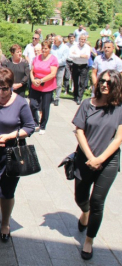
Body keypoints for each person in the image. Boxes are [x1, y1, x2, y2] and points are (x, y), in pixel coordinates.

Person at [72, 69, 122, 261]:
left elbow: (118, 139)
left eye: (109, 82)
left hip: (108, 162)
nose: (104, 84)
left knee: (97, 203)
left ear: (117, 85)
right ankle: (85, 212)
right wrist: (91, 157)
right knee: (80, 197)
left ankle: (89, 240)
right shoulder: (87, 104)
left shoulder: (119, 108)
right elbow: (79, 131)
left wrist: (100, 159)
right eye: (102, 81)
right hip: (85, 158)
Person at [0, 68, 35, 242]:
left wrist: (9, 136)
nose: (1, 92)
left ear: (11, 87)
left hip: (12, 153)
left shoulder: (20, 103)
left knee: (7, 190)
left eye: (5, 88)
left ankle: (5, 222)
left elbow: (30, 127)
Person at [29, 41, 58, 135]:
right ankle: (35, 122)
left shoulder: (53, 59)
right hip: (35, 85)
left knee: (45, 107)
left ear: (49, 49)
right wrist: (33, 80)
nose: (44, 50)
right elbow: (31, 71)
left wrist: (41, 80)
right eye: (43, 48)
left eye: (46, 48)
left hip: (47, 87)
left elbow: (53, 74)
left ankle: (43, 125)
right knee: (33, 104)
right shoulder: (36, 58)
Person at [69, 35, 91, 105]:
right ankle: (75, 95)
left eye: (84, 39)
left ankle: (79, 97)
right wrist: (80, 55)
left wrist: (76, 55)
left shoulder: (87, 47)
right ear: (79, 39)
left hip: (83, 66)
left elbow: (87, 56)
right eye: (81, 39)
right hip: (75, 65)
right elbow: (70, 55)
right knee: (75, 81)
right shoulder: (74, 46)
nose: (82, 41)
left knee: (82, 82)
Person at [51, 35, 70, 106]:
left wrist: (55, 63)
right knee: (51, 81)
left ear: (60, 41)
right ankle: (51, 96)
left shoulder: (65, 48)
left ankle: (57, 98)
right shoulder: (52, 46)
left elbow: (63, 59)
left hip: (60, 67)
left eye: (55, 40)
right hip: (52, 67)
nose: (54, 42)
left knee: (58, 83)